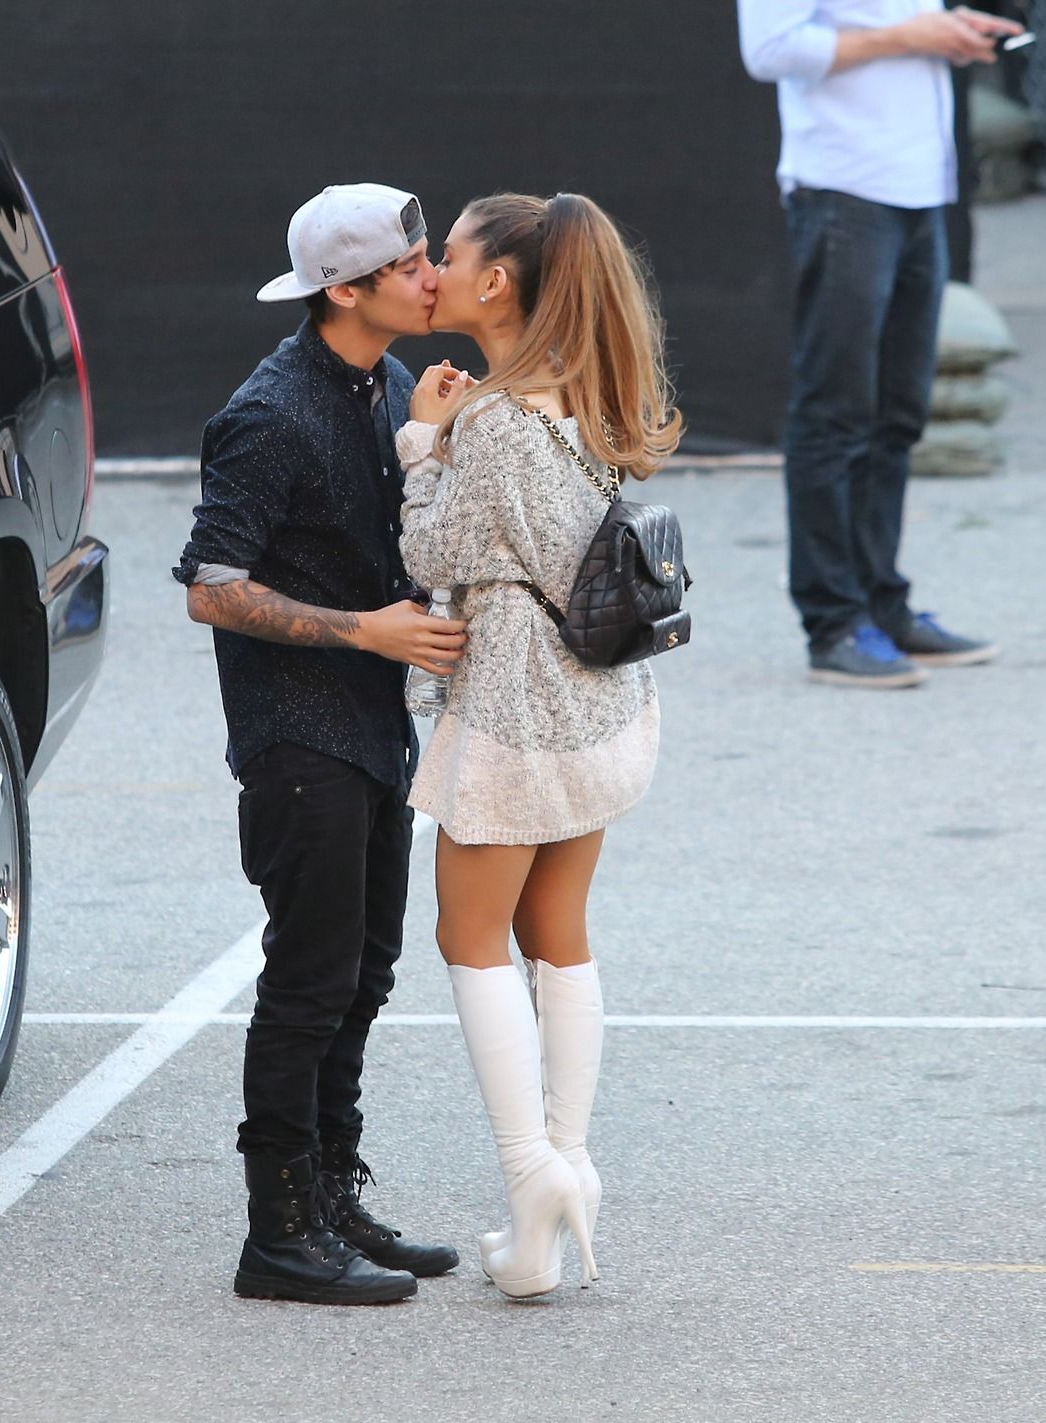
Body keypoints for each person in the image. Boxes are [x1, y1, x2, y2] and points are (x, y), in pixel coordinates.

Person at [173, 183, 467, 1305]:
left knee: (366, 971)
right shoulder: (267, 413)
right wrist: (365, 629)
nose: (431, 275)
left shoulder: (384, 377)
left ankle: (332, 1197)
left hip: (370, 722)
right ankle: (278, 1233)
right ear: (346, 291)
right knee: (307, 981)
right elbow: (211, 588)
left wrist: (428, 433)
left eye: (427, 253)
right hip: (298, 734)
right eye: (411, 265)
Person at [395, 193, 680, 1299]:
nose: (437, 272)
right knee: (553, 928)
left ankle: (532, 1177)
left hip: (517, 712)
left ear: (499, 282)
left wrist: (422, 441)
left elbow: (436, 547)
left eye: (453, 255)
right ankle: (568, 1168)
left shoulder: (497, 421)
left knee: (466, 936)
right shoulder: (582, 397)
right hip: (597, 702)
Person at [737, 2, 1020, 688]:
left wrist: (950, 35)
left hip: (921, 187)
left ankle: (882, 607)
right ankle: (834, 624)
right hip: (844, 186)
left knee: (897, 411)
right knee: (833, 411)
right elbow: (769, 49)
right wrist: (909, 36)